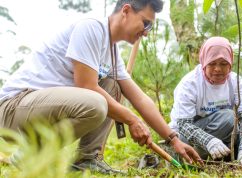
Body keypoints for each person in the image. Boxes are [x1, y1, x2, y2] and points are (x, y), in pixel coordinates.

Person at [0, 0, 202, 174]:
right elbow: (86, 86)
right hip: (13, 107)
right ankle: (31, 152)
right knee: (96, 102)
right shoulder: (91, 28)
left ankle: (87, 159)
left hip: (41, 109)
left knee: (113, 86)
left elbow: (140, 98)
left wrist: (173, 139)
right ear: (126, 11)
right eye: (146, 23)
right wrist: (132, 120)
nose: (146, 33)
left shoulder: (112, 54)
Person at [169, 36, 242, 167]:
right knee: (228, 118)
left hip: (223, 134)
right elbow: (183, 124)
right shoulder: (190, 84)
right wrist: (208, 141)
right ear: (204, 62)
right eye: (212, 63)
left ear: (230, 63)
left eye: (223, 63)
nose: (218, 69)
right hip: (185, 138)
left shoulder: (235, 82)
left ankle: (231, 156)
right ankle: (188, 157)